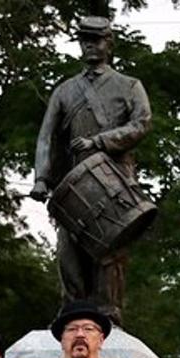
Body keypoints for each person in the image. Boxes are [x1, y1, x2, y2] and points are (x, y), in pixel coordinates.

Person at [29, 15, 152, 319]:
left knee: (109, 251)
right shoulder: (65, 90)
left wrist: (100, 141)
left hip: (115, 181)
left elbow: (142, 123)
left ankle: (108, 312)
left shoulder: (129, 86)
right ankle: (72, 311)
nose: (90, 47)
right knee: (67, 250)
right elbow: (46, 137)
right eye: (85, 41)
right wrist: (41, 178)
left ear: (109, 43)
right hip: (73, 184)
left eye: (96, 40)